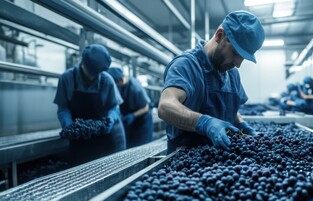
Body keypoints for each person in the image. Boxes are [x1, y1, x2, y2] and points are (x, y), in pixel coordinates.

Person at [158, 10, 265, 153]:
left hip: (226, 160)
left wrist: (241, 124)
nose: (238, 64)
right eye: (235, 53)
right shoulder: (186, 65)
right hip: (188, 163)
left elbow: (230, 112)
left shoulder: (232, 74)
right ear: (220, 36)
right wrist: (204, 123)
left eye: (243, 58)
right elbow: (165, 107)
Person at [54, 44, 126, 163]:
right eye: (92, 72)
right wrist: (68, 126)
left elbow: (114, 107)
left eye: (98, 73)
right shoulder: (66, 79)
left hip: (106, 137)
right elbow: (63, 108)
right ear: (83, 63)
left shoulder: (107, 80)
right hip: (81, 138)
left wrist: (110, 120)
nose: (94, 76)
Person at [107, 67, 153, 148]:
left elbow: (146, 107)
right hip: (130, 121)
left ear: (120, 80)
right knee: (131, 146)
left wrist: (133, 116)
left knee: (143, 146)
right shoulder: (120, 86)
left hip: (142, 121)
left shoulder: (135, 87)